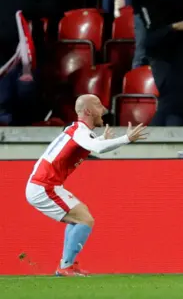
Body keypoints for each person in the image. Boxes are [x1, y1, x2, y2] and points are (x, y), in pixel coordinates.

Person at [24, 94, 147, 276]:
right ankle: (65, 266)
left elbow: (93, 145)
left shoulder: (79, 131)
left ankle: (66, 266)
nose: (104, 109)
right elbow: (97, 148)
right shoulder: (79, 131)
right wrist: (126, 139)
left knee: (80, 217)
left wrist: (101, 141)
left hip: (46, 184)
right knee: (84, 219)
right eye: (98, 105)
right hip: (43, 186)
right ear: (88, 111)